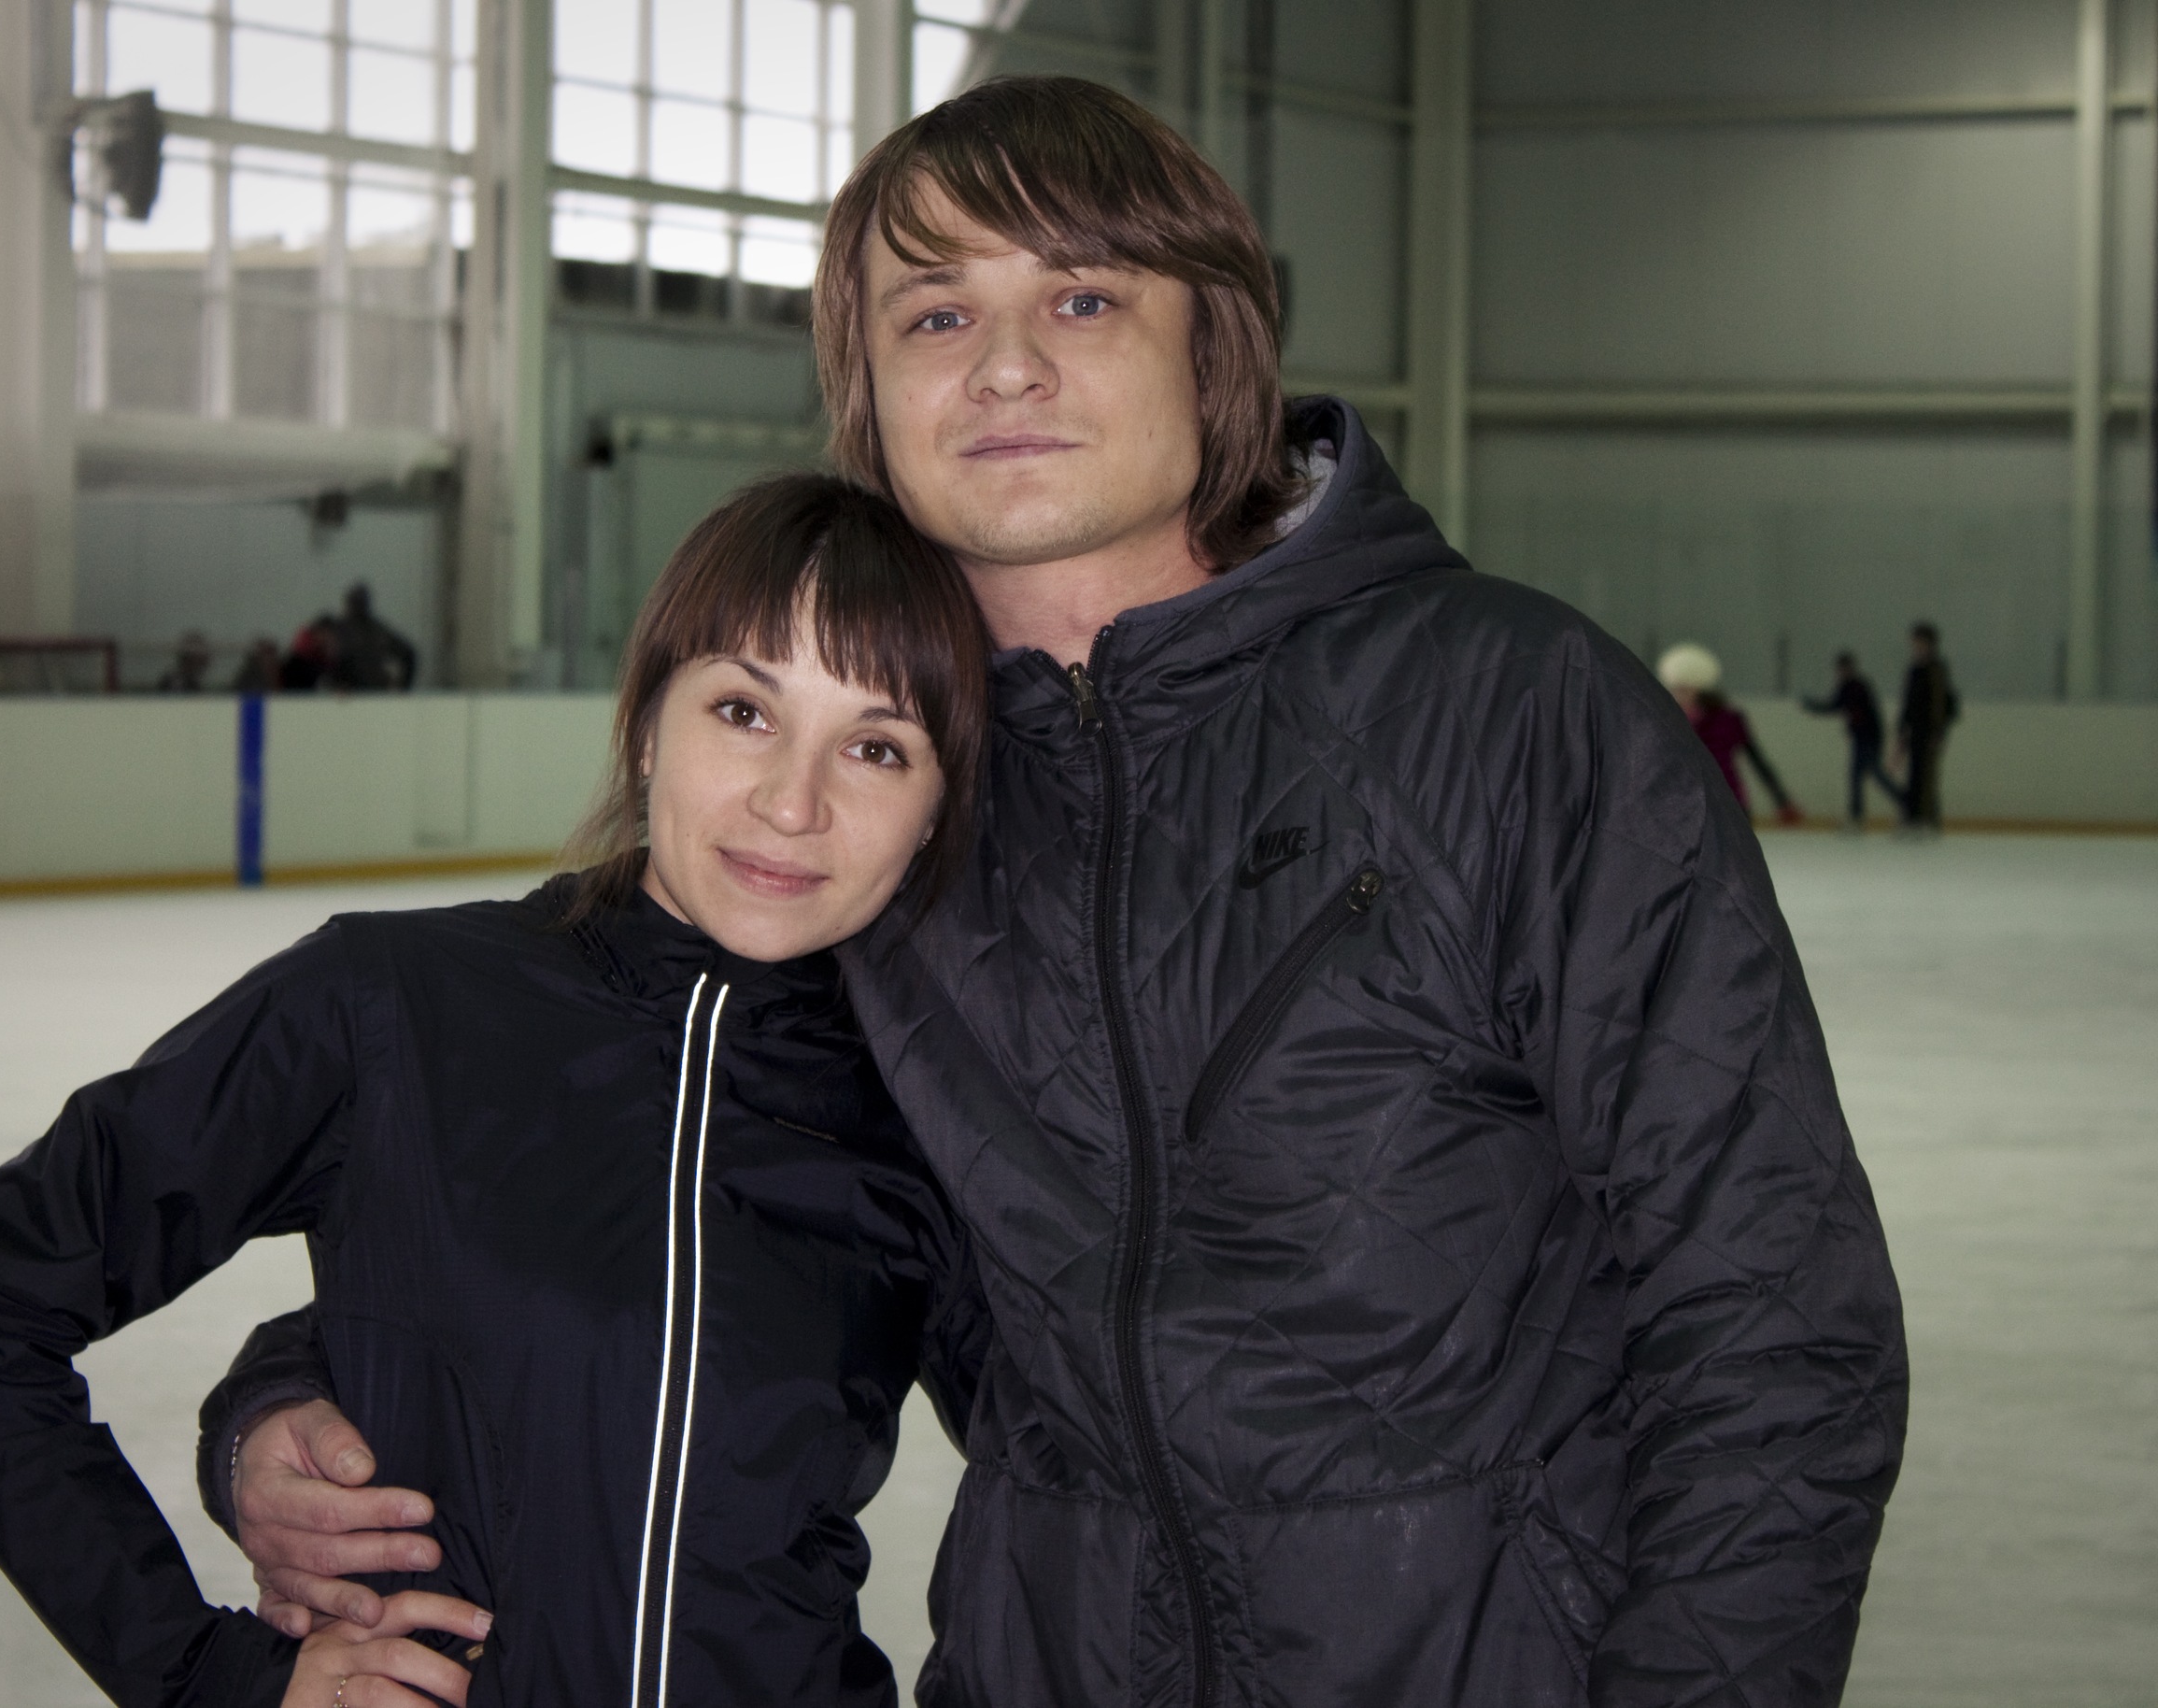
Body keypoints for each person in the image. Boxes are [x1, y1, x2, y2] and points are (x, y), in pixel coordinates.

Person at [218, 78, 1906, 1708]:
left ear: (1215, 347)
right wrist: (294, 1391)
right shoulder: (877, 786)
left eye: (1085, 299)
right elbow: (620, 1128)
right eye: (936, 314)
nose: (1006, 363)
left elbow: (1773, 1320)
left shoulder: (1508, 710)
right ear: (867, 390)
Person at [0, 475, 994, 1708]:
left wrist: (276, 1381)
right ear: (645, 727)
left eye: (876, 747)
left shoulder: (940, 1112)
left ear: (938, 809)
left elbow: (1092, 1478)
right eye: (743, 709)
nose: (792, 801)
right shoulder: (388, 1004)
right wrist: (209, 1676)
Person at [1656, 641, 1802, 823]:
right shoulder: (1666, 719)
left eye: (1684, 689)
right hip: (1684, 803)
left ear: (1699, 689)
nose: (1679, 695)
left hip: (1728, 802)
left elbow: (1757, 760)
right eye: (1676, 689)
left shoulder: (1728, 719)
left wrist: (1781, 799)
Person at [1805, 650, 1901, 831]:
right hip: (1862, 739)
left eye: (1843, 669)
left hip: (1868, 739)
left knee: (1871, 775)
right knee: (1858, 777)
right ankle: (1858, 816)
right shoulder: (1848, 686)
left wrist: (1814, 707)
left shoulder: (1857, 687)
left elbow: (1855, 711)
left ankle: (1904, 803)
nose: (1840, 673)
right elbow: (1836, 706)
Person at [1895, 621, 1959, 833]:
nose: (1916, 646)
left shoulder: (1936, 669)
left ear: (1929, 643)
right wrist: (1902, 729)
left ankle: (1927, 820)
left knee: (1927, 776)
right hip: (1915, 730)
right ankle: (1912, 819)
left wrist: (1938, 731)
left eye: (1920, 642)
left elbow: (1939, 703)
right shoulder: (1914, 669)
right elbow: (1908, 701)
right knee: (1914, 775)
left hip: (1930, 731)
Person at [324, 583, 419, 691]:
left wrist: (402, 687)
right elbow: (326, 662)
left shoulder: (377, 631)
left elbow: (408, 653)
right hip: (347, 694)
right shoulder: (338, 630)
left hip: (375, 692)